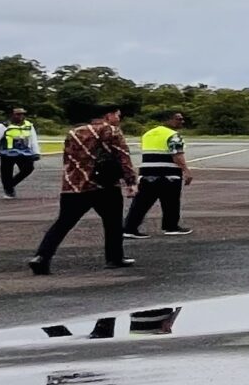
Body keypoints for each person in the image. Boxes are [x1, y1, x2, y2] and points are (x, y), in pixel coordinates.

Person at [27, 105, 139, 274]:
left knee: (63, 223)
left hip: (74, 185)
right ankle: (114, 258)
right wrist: (131, 181)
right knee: (113, 223)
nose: (119, 118)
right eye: (117, 115)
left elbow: (68, 158)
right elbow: (123, 156)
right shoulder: (111, 131)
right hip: (104, 185)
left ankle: (42, 256)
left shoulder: (74, 132)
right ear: (108, 115)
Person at [122, 111, 194, 239]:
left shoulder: (148, 134)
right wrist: (186, 170)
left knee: (141, 203)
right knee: (171, 202)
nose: (182, 121)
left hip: (147, 173)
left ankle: (129, 228)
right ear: (168, 120)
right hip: (169, 174)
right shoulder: (173, 135)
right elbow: (177, 154)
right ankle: (171, 226)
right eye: (178, 119)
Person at [0, 107, 41, 198]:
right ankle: (9, 190)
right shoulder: (3, 126)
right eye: (18, 114)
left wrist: (36, 152)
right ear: (11, 115)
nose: (21, 116)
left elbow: (33, 139)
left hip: (24, 152)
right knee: (6, 173)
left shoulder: (29, 125)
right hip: (7, 153)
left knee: (28, 168)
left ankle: (10, 185)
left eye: (22, 114)